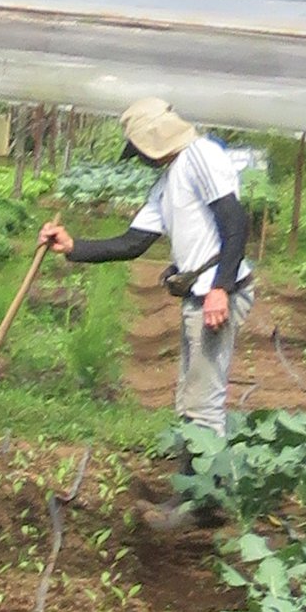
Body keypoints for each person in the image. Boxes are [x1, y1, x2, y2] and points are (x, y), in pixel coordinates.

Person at [37, 98, 253, 441]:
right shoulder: (169, 181)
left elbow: (236, 220)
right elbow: (132, 243)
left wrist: (220, 288)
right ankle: (193, 489)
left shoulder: (201, 155)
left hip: (216, 293)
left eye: (139, 149)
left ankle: (204, 494)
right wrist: (73, 246)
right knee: (189, 399)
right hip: (199, 295)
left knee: (203, 404)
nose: (139, 157)